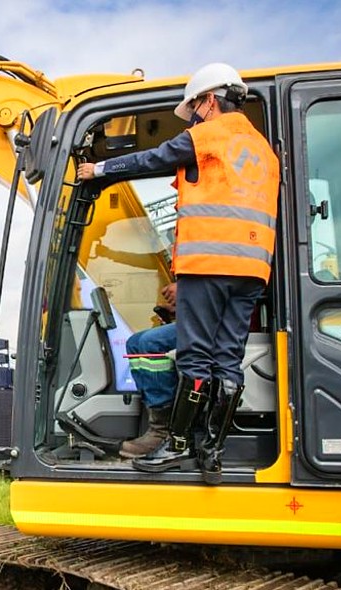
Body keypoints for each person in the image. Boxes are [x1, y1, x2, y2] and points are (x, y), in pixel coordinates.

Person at [77, 63, 279, 482]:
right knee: (227, 359)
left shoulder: (211, 134)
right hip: (252, 268)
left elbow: (155, 157)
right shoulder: (263, 150)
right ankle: (212, 451)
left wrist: (98, 170)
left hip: (208, 262)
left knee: (195, 356)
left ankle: (178, 445)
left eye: (196, 108)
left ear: (209, 99)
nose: (196, 117)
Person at [119, 284, 177, 459]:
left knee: (151, 343)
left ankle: (163, 432)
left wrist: (188, 292)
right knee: (134, 343)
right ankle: (153, 419)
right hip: (200, 317)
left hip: (215, 325)